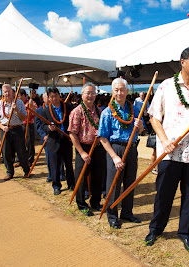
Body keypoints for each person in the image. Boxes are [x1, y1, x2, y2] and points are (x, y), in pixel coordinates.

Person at [145, 47, 189, 252]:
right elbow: (154, 117)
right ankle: (156, 229)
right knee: (164, 195)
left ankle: (185, 233)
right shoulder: (166, 86)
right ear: (182, 62)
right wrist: (165, 141)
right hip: (170, 152)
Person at [98, 77, 145, 229]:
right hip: (115, 148)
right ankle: (112, 215)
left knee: (130, 182)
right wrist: (114, 156)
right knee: (114, 184)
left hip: (131, 148)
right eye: (116, 90)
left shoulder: (135, 109)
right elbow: (103, 138)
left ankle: (127, 212)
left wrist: (140, 126)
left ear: (127, 91)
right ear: (113, 92)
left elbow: (141, 131)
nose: (119, 93)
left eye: (122, 90)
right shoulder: (107, 112)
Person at [69, 83, 106, 216]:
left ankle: (95, 202)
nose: (90, 96)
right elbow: (72, 134)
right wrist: (82, 152)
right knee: (82, 176)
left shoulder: (100, 111)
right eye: (87, 93)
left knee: (98, 176)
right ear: (82, 95)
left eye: (92, 93)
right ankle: (81, 204)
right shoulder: (76, 111)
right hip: (83, 148)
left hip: (97, 147)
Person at [39, 87, 75, 195]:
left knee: (68, 163)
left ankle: (71, 183)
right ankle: (56, 185)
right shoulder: (45, 110)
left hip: (66, 140)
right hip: (54, 141)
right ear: (49, 98)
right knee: (54, 164)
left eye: (56, 96)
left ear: (59, 95)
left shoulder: (68, 107)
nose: (54, 98)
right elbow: (43, 126)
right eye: (51, 97)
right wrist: (49, 128)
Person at [0, 84, 30, 180]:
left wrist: (16, 110)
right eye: (5, 92)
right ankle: (9, 172)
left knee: (21, 151)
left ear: (12, 92)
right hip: (5, 130)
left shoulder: (19, 103)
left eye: (8, 91)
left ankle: (26, 170)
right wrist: (2, 127)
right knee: (6, 152)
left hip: (17, 129)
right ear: (2, 93)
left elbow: (24, 118)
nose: (7, 93)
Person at [35, 91, 52, 182]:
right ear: (43, 99)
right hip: (46, 137)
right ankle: (50, 174)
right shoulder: (39, 110)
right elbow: (38, 125)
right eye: (47, 97)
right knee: (49, 157)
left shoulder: (55, 108)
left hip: (55, 137)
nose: (49, 99)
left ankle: (61, 174)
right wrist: (43, 135)